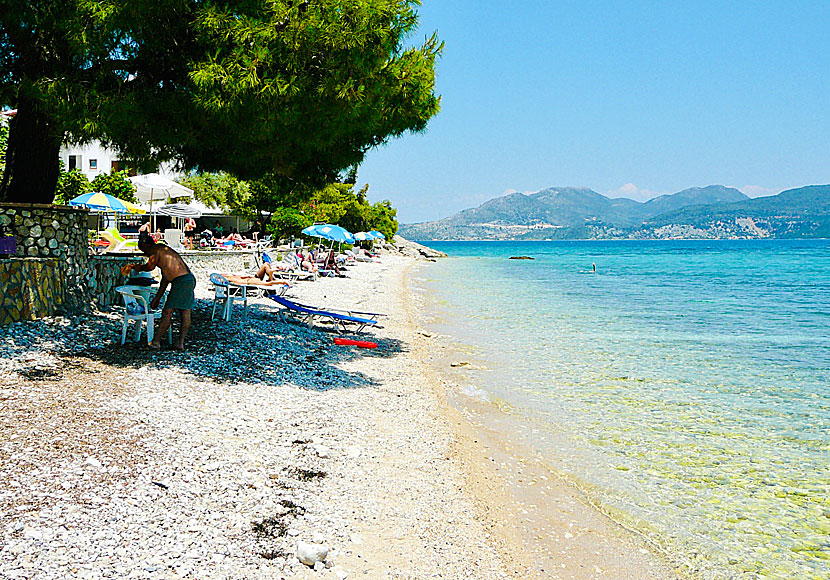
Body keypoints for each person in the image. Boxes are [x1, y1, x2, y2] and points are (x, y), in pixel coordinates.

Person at [130, 232, 196, 351]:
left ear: (145, 245)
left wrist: (137, 267)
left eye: (143, 249)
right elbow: (165, 280)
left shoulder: (156, 250)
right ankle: (179, 343)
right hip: (188, 279)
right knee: (185, 311)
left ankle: (156, 342)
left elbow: (149, 267)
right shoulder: (164, 252)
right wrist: (157, 298)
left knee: (168, 312)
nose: (144, 253)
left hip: (181, 281)